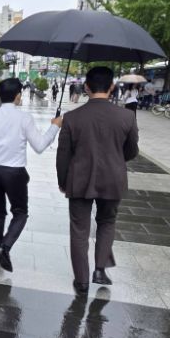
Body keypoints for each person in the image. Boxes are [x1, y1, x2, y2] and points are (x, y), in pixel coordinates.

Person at [56, 67, 139, 294]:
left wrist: (63, 181)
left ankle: (81, 280)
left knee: (79, 229)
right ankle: (100, 270)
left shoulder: (72, 118)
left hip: (79, 181)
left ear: (86, 87)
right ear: (112, 87)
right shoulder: (127, 116)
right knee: (107, 222)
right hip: (113, 180)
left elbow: (62, 155)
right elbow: (131, 152)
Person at [0, 78, 63, 272]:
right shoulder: (24, 118)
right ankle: (5, 246)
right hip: (15, 173)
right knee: (20, 212)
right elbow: (39, 146)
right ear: (18, 96)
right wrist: (55, 126)